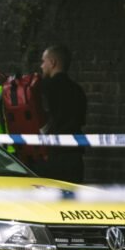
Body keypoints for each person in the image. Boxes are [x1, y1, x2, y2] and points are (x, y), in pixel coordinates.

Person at [34, 44, 87, 183]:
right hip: (74, 155)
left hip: (51, 154)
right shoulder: (78, 91)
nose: (41, 66)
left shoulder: (43, 89)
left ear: (52, 63)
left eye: (43, 61)